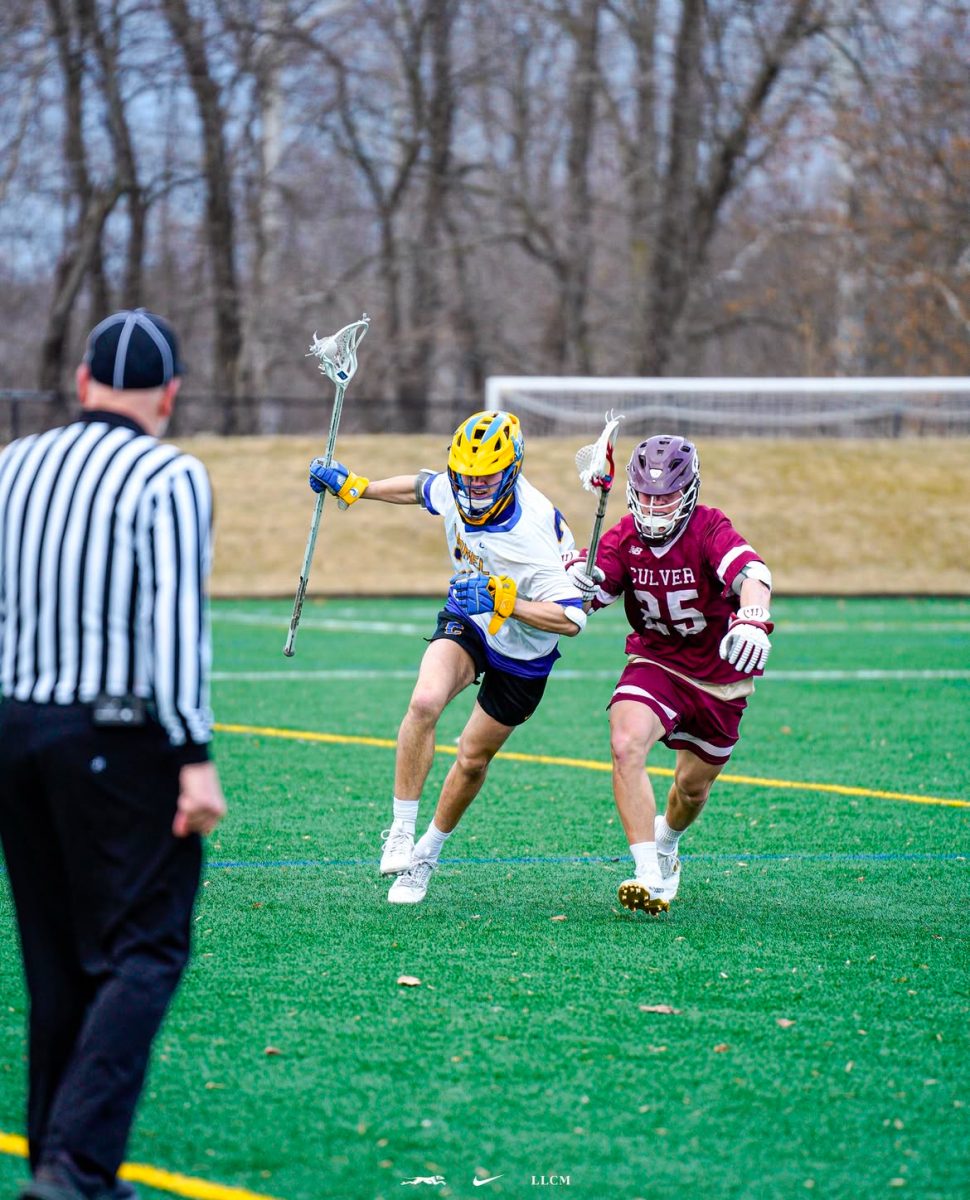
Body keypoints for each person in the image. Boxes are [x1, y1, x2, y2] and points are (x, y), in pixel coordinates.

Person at [0, 309, 226, 1200]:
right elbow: (176, 629)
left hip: (14, 730)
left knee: (55, 957)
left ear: (83, 381)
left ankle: (60, 1161)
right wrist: (194, 755)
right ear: (167, 396)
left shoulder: (12, 466)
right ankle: (80, 1165)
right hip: (115, 736)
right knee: (146, 948)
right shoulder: (167, 476)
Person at [308, 409, 586, 904]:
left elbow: (571, 618)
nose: (474, 490)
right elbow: (420, 487)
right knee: (424, 702)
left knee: (472, 759)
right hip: (468, 621)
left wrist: (507, 603)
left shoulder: (532, 534)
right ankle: (399, 830)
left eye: (488, 479)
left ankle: (426, 857)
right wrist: (357, 486)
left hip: (524, 652)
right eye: (467, 478)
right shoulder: (455, 489)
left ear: (513, 469)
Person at [567, 434, 772, 915]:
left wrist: (754, 617)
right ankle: (646, 873)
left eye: (667, 496)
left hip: (720, 674)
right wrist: (578, 581)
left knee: (691, 789)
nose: (656, 507)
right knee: (625, 742)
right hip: (656, 661)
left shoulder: (709, 528)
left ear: (690, 490)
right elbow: (593, 590)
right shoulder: (622, 536)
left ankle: (667, 844)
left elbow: (753, 575)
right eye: (648, 495)